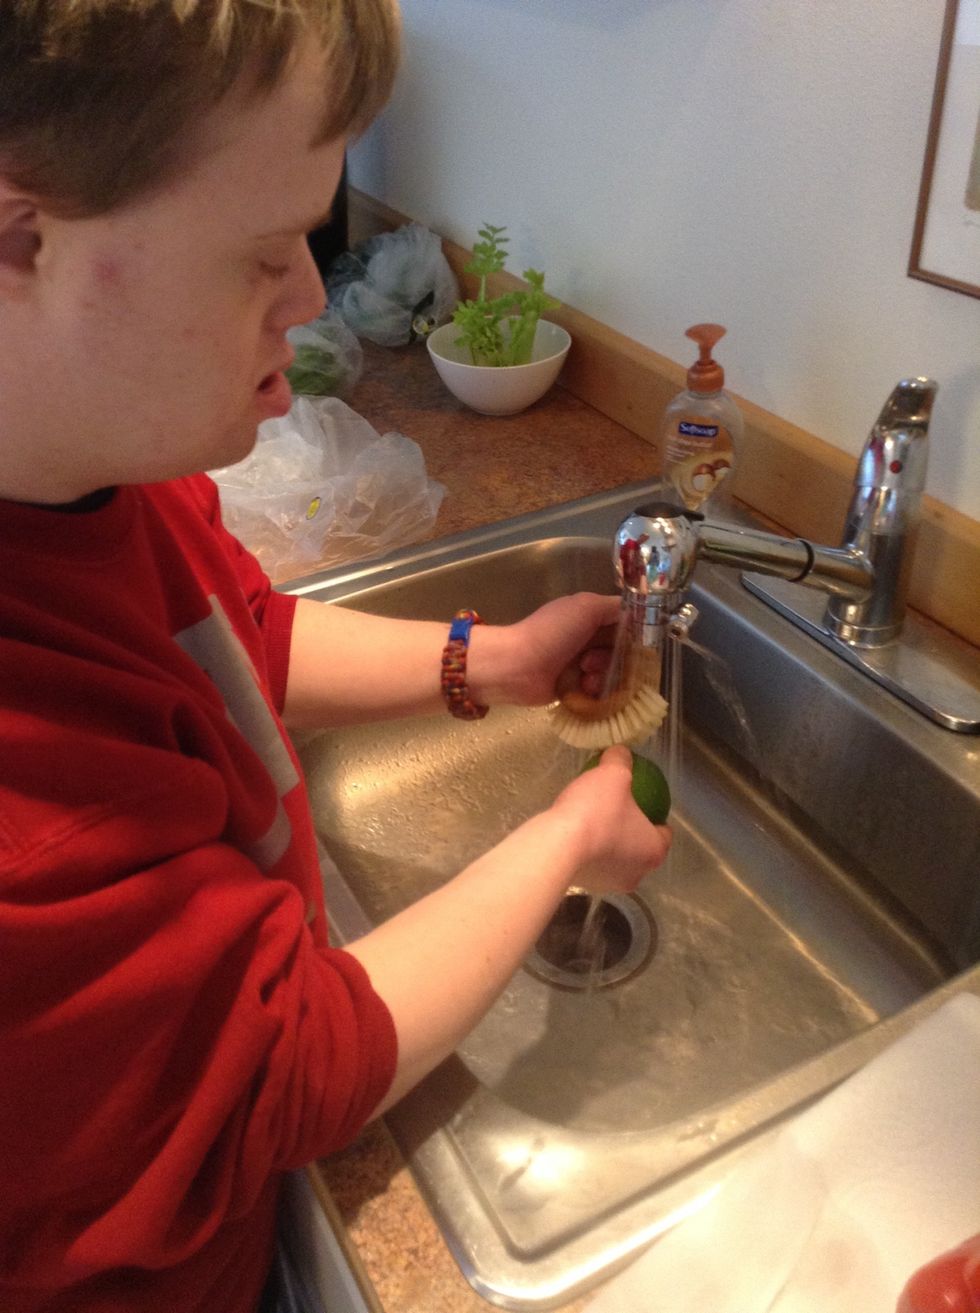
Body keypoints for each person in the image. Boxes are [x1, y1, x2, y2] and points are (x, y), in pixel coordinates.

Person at [0, 1, 672, 1310]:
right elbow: (284, 1067)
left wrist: (496, 659)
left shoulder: (93, 474)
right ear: (22, 239)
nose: (312, 298)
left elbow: (232, 639)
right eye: (264, 256)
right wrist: (562, 842)